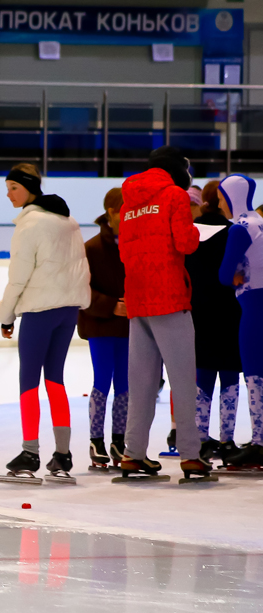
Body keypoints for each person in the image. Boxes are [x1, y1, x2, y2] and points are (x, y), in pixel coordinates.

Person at [0, 163, 92, 482]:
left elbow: (18, 276)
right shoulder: (69, 221)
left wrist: (6, 315)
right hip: (68, 309)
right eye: (7, 188)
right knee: (55, 379)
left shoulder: (30, 224)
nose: (9, 194)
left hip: (40, 309)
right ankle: (62, 456)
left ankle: (30, 453)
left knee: (29, 380)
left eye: (14, 187)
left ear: (29, 188)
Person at [115, 145, 206, 480]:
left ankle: (133, 454)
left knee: (141, 383)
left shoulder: (129, 203)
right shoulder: (174, 196)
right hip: (169, 297)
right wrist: (195, 228)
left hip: (138, 299)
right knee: (182, 381)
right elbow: (186, 243)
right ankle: (191, 456)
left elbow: (124, 252)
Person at [186, 179, 241, 464]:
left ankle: (200, 440)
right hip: (230, 311)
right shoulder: (234, 232)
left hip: (197, 314)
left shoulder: (190, 233)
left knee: (203, 376)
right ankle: (227, 441)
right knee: (230, 376)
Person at [77, 187, 129, 469]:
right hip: (100, 325)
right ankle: (96, 440)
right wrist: (110, 306)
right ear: (112, 212)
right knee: (102, 381)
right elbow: (81, 290)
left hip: (129, 327)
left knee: (124, 384)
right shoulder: (91, 248)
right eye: (126, 210)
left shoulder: (135, 244)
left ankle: (119, 440)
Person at [216, 175, 263, 468]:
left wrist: (235, 277)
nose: (220, 205)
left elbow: (224, 275)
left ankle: (260, 443)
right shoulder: (260, 222)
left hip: (253, 308)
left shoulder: (240, 229)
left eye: (221, 198)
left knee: (255, 375)